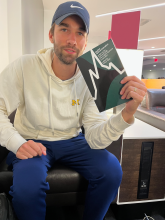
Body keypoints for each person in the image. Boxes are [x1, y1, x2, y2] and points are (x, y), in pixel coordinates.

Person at [0, 1, 147, 220]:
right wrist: (17, 142)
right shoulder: (24, 66)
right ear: (51, 34)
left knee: (112, 171)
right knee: (26, 190)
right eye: (64, 29)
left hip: (73, 140)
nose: (72, 40)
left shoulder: (92, 77)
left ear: (85, 42)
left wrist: (126, 115)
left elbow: (96, 139)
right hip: (33, 140)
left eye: (80, 33)